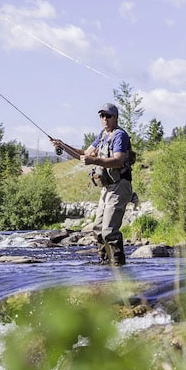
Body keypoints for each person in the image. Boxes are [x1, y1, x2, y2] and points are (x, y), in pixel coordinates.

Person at [51, 103, 134, 265]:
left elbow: (118, 161)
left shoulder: (119, 136)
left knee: (109, 231)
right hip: (107, 187)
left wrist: (94, 160)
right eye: (102, 116)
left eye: (108, 116)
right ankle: (104, 263)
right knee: (97, 229)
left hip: (120, 186)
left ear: (115, 117)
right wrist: (62, 145)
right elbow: (83, 154)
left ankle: (118, 266)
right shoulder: (103, 135)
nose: (104, 119)